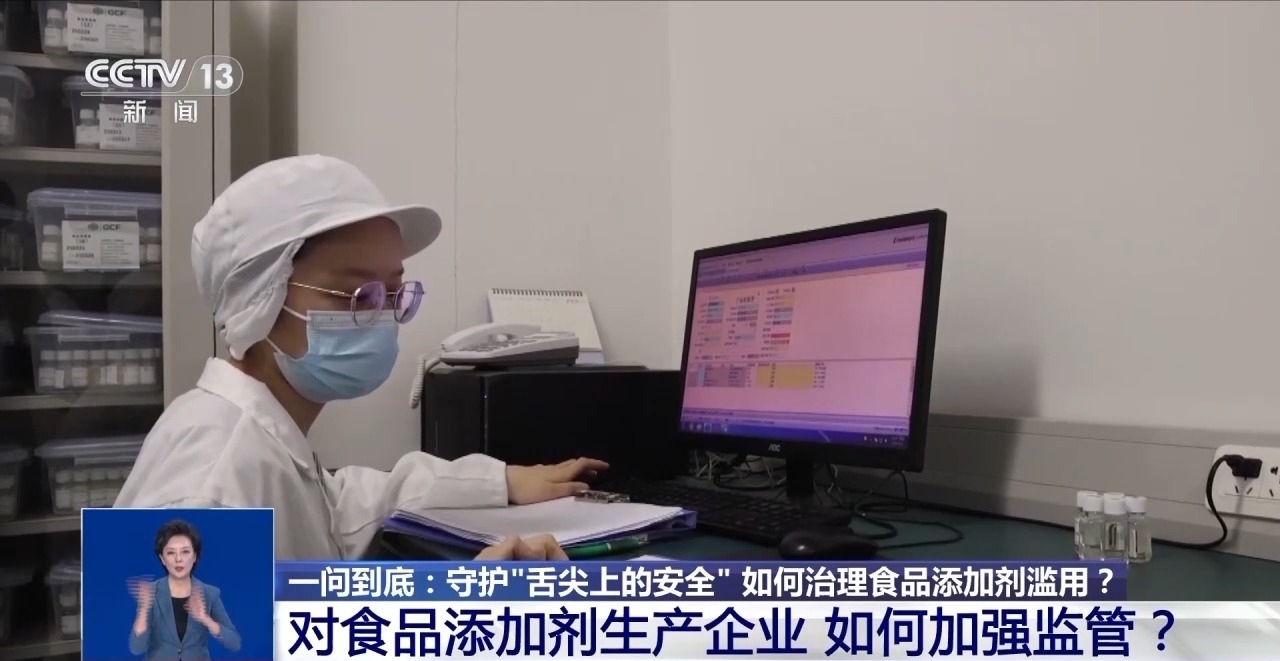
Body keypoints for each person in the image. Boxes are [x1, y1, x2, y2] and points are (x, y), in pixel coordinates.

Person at [114, 155, 606, 560]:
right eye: (357, 295)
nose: (382, 317)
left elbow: (343, 502)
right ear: (258, 301)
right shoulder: (209, 487)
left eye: (393, 294)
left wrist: (499, 480)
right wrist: (461, 610)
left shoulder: (261, 441)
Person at [128, 520, 241, 659]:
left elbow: (235, 643)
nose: (178, 559)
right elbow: (136, 648)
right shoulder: (150, 593)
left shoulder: (209, 593)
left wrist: (205, 619)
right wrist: (144, 609)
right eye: (171, 553)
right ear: (162, 558)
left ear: (195, 556)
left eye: (185, 552)